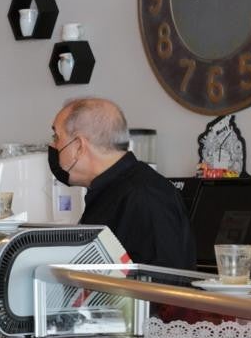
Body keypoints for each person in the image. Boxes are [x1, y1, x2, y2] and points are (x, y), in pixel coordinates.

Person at [49, 97, 195, 269]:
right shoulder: (108, 191)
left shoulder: (144, 196)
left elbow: (162, 285)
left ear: (79, 146)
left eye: (57, 136)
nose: (53, 145)